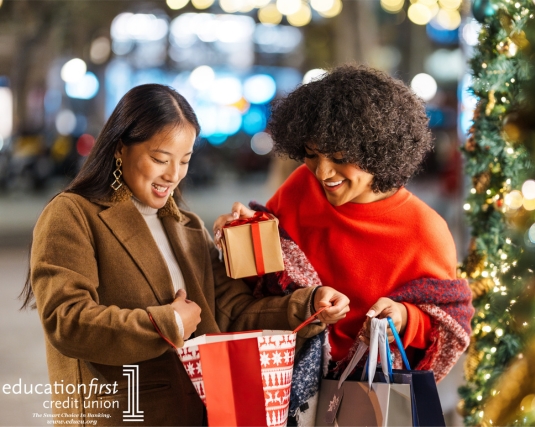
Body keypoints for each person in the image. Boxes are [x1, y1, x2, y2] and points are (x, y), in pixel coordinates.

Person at [20, 84, 350, 426]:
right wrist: (169, 323)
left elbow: (232, 314)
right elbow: (67, 321)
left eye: (185, 160)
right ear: (120, 149)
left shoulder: (187, 226)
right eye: (161, 159)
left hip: (199, 414)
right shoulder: (73, 214)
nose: (174, 175)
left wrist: (309, 305)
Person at [214, 65, 474, 421]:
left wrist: (402, 317)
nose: (322, 173)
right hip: (283, 392)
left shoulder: (424, 231)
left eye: (338, 158)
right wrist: (244, 231)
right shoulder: (300, 188)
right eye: (311, 154)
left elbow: (448, 323)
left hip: (367, 400)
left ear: (378, 150)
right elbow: (263, 275)